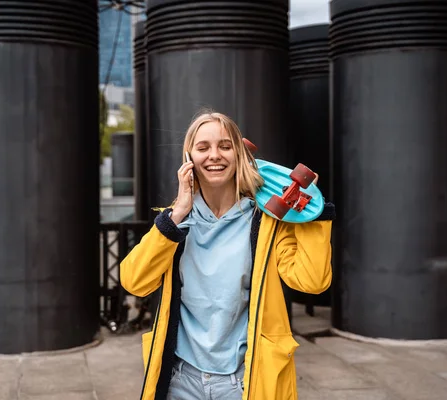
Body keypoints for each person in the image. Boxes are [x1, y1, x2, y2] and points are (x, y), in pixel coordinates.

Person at [120, 111, 335, 400]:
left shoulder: (267, 224)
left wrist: (312, 214)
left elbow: (311, 282)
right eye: (203, 147)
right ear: (189, 159)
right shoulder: (174, 223)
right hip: (180, 379)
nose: (214, 156)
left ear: (239, 153)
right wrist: (176, 214)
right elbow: (134, 282)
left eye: (225, 146)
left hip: (244, 381)